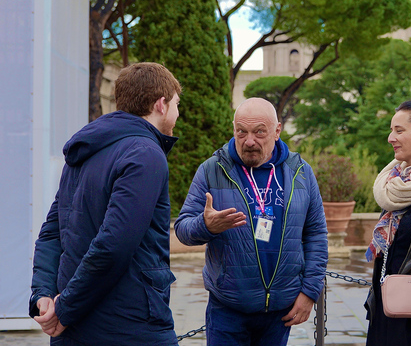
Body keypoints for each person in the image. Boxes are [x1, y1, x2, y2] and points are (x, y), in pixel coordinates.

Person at [29, 62, 182, 345]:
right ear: (161, 104)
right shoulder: (146, 153)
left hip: (74, 328)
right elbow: (113, 245)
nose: (176, 113)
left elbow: (51, 233)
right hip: (128, 327)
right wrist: (62, 309)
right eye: (175, 104)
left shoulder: (86, 150)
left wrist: (44, 296)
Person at [174, 97, 327, 346]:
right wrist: (206, 226)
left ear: (277, 131)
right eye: (241, 132)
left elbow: (316, 233)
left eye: (259, 132)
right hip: (228, 310)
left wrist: (309, 292)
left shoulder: (301, 172)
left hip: (280, 312)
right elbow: (182, 229)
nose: (249, 141)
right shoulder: (212, 169)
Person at [364, 100, 411, 346]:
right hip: (385, 308)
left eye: (399, 130)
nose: (390, 137)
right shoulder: (396, 182)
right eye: (391, 130)